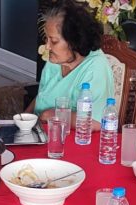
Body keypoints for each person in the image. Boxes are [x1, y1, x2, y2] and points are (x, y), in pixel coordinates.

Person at [27, 1, 115, 129]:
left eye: (54, 41)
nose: (47, 46)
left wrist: (53, 115)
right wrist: (23, 119)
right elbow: (43, 96)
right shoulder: (55, 61)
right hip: (41, 132)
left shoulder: (95, 68)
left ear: (74, 41)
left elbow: (96, 122)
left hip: (76, 138)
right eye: (46, 39)